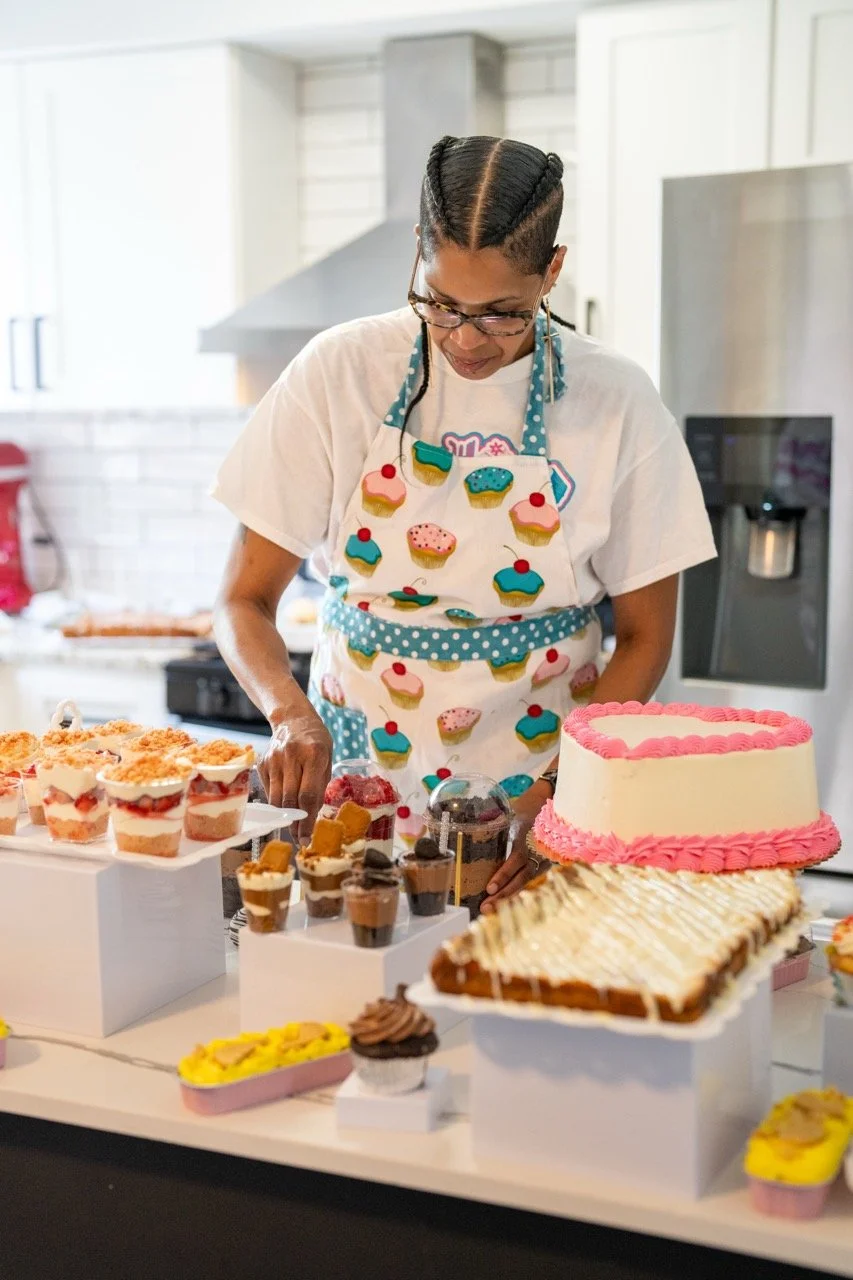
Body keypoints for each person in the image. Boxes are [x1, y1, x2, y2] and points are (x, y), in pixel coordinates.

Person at [212, 135, 716, 912]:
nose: (466, 342)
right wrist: (289, 718)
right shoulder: (340, 371)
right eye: (441, 304)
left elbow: (646, 633)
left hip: (539, 781)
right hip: (357, 768)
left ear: (551, 272)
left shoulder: (612, 398)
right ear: (419, 253)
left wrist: (560, 792)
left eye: (503, 315)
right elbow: (242, 600)